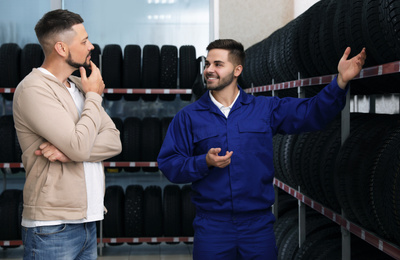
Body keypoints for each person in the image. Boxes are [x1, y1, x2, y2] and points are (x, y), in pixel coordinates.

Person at [157, 39, 366, 259]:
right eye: (207, 64)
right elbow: (169, 164)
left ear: (237, 70)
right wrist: (203, 162)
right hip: (213, 228)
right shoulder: (188, 117)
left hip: (257, 227)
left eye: (218, 64)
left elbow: (311, 113)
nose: (209, 70)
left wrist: (340, 82)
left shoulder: (264, 109)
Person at [13, 9, 122, 259]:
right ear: (61, 48)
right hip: (52, 226)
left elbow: (114, 141)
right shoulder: (34, 89)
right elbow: (80, 147)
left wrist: (69, 152)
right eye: (84, 41)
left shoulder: (78, 87)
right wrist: (95, 95)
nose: (91, 46)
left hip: (87, 221)